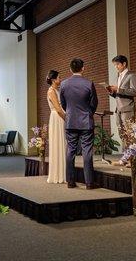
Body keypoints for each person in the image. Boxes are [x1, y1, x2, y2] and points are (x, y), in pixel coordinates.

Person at [60, 58, 98, 189]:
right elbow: (94, 103)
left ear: (70, 69)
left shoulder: (64, 84)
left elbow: (63, 104)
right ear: (83, 68)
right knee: (87, 151)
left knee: (70, 150)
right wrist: (88, 113)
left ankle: (70, 182)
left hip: (70, 121)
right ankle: (89, 183)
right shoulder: (89, 83)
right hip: (86, 121)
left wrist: (70, 113)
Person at [106, 55, 136, 147]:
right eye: (115, 65)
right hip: (118, 109)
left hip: (127, 109)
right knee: (122, 134)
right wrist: (112, 92)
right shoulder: (118, 76)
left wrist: (118, 89)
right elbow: (119, 94)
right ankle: (126, 157)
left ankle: (133, 159)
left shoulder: (132, 75)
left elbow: (134, 92)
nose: (116, 67)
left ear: (124, 64)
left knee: (130, 134)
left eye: (117, 64)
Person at [46, 70, 66, 184]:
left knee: (61, 144)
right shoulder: (51, 91)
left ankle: (62, 172)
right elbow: (58, 108)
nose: (60, 79)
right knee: (57, 144)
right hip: (57, 117)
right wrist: (66, 119)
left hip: (59, 117)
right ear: (53, 80)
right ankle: (57, 174)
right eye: (59, 77)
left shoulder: (56, 90)